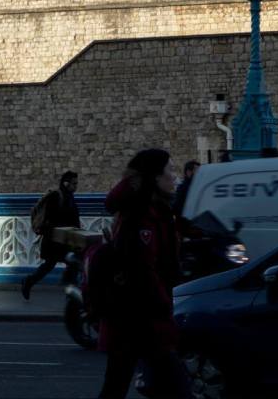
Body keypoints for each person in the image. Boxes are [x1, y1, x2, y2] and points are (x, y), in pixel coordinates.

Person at [97, 149, 191, 399]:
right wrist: (164, 309)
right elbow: (143, 270)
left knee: (116, 386)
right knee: (178, 387)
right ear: (154, 178)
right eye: (170, 171)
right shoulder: (141, 217)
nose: (176, 178)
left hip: (136, 320)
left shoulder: (158, 212)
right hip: (139, 320)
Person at [21, 170, 80, 300]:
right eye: (74, 183)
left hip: (64, 239)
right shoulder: (55, 197)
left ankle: (30, 282)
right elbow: (50, 218)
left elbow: (74, 218)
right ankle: (29, 282)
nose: (76, 186)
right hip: (54, 240)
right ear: (66, 183)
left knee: (65, 263)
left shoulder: (69, 197)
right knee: (53, 265)